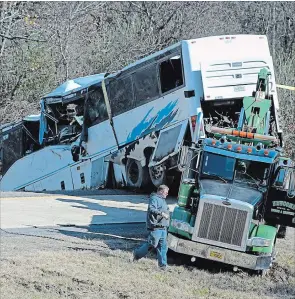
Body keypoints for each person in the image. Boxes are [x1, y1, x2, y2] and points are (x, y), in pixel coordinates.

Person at [132, 185, 170, 270]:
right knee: (152, 244)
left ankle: (163, 266)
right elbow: (152, 209)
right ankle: (137, 254)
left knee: (163, 246)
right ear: (160, 191)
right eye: (165, 192)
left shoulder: (163, 200)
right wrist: (161, 213)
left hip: (163, 228)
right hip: (156, 227)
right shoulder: (154, 198)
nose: (167, 194)